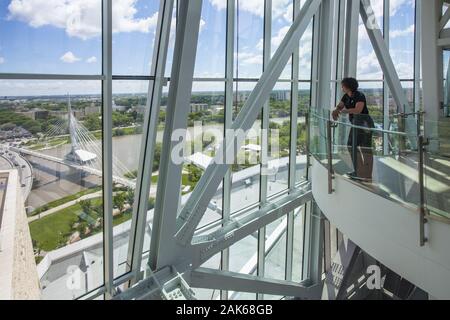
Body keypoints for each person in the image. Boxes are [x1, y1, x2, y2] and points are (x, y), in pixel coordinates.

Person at [332, 78, 374, 181]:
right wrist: (336, 110)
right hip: (356, 124)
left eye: (343, 86)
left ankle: (367, 174)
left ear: (348, 86)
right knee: (351, 146)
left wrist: (343, 111)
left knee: (365, 149)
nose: (342, 88)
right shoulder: (346, 96)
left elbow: (358, 110)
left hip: (365, 125)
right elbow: (340, 106)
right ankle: (359, 172)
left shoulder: (359, 95)